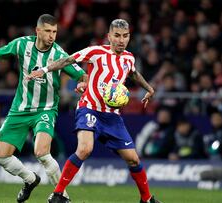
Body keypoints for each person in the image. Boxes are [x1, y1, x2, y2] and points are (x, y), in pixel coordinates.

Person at [0, 14, 87, 203]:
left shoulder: (59, 55)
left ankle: (62, 196)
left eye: (55, 32)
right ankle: (30, 179)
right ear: (38, 31)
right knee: (0, 156)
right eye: (48, 31)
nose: (52, 36)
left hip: (45, 110)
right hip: (20, 109)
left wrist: (83, 83)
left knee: (41, 152)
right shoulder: (21, 44)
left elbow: (83, 75)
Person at [29, 19, 160, 203]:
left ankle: (146, 199)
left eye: (125, 36)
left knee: (134, 160)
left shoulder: (129, 58)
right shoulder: (96, 51)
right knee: (85, 149)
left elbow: (133, 73)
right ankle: (57, 194)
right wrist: (44, 69)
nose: (121, 40)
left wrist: (149, 88)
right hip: (89, 108)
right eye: (117, 36)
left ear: (129, 37)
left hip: (112, 116)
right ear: (109, 36)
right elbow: (68, 59)